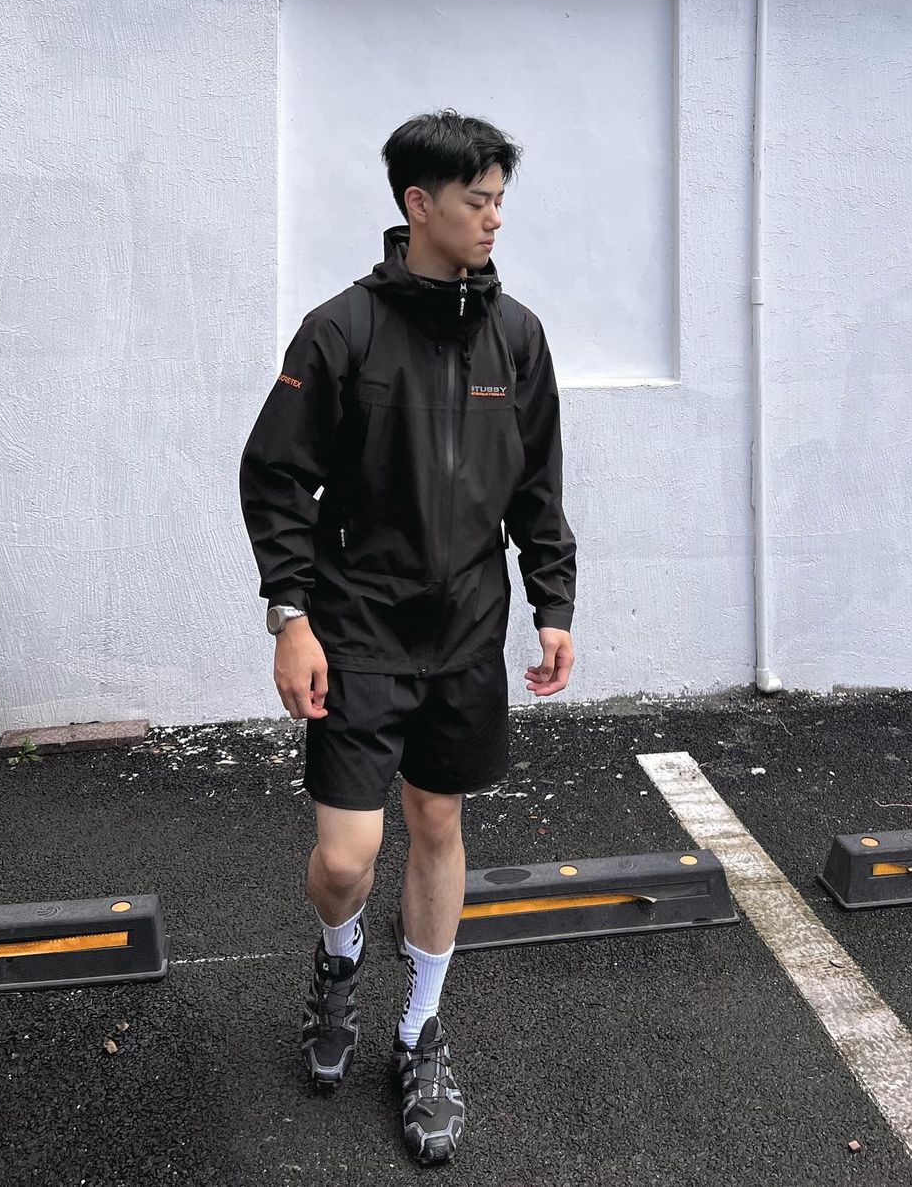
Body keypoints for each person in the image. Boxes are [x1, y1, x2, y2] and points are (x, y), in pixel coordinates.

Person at [239, 109, 577, 1164]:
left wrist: (553, 602)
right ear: (417, 204)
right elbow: (276, 477)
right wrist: (291, 616)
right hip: (357, 626)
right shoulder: (341, 331)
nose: (495, 217)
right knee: (347, 858)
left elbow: (537, 484)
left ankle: (419, 1029)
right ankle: (338, 959)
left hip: (467, 630)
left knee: (437, 819)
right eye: (478, 199)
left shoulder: (517, 336)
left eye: (501, 199)